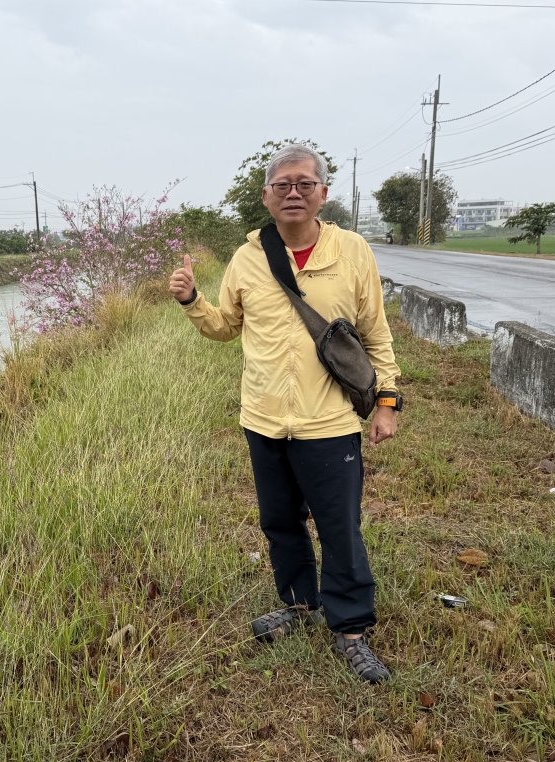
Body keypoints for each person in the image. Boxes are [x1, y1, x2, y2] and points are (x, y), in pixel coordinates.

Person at [168, 145, 402, 683]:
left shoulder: (353, 251)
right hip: (264, 418)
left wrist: (386, 402)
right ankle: (300, 605)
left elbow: (375, 332)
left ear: (323, 193)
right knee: (280, 523)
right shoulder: (248, 258)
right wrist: (191, 301)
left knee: (340, 527)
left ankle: (350, 627)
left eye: (304, 183)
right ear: (266, 196)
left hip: (329, 423)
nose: (293, 193)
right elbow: (226, 325)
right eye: (282, 185)